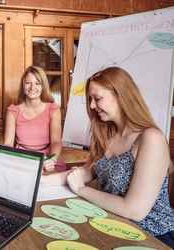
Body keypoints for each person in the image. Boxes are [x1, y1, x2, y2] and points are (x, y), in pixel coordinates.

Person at [66, 67, 174, 248]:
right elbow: (85, 172)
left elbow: (134, 210)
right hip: (112, 225)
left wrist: (81, 190)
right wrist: (41, 179)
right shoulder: (107, 134)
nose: (92, 106)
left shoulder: (151, 138)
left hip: (154, 236)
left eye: (97, 98)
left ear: (120, 96)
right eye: (90, 100)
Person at [4, 66, 62, 172]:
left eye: (37, 83)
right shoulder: (13, 111)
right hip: (21, 159)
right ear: (23, 85)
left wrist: (52, 160)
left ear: (43, 85)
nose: (32, 87)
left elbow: (56, 142)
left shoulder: (53, 109)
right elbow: (8, 143)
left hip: (47, 159)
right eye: (28, 83)